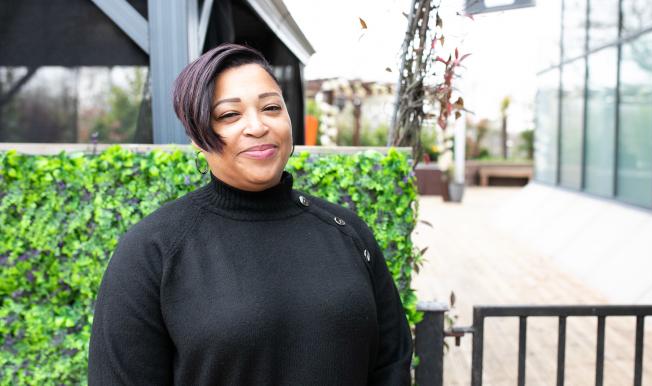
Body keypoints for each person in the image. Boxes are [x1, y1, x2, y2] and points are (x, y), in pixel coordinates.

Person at [88, 43, 413, 385]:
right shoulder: (151, 251)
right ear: (197, 136)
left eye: (271, 107)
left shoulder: (346, 232)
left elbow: (391, 363)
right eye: (229, 115)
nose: (257, 126)